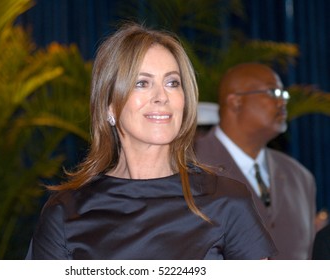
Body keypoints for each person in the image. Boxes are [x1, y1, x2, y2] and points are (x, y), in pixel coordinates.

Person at [26, 23, 277, 260]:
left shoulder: (227, 201)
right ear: (109, 107)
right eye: (142, 83)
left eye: (172, 83)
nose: (161, 97)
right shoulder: (65, 212)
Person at [194, 62, 317, 259]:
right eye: (273, 93)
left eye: (284, 95)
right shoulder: (186, 167)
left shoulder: (300, 177)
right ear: (235, 102)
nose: (283, 102)